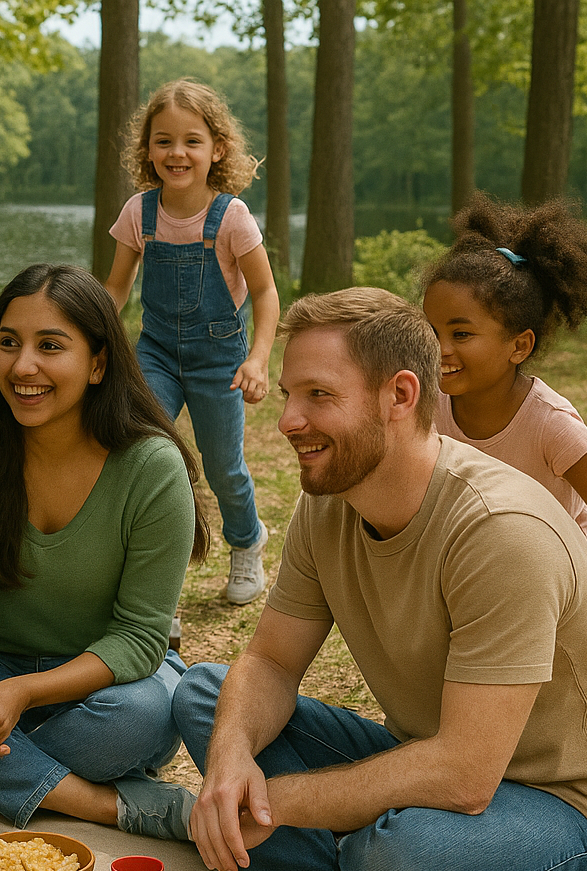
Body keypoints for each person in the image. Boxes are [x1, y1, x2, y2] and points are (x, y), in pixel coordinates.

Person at [172, 287, 587, 871]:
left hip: (556, 803)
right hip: (423, 756)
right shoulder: (330, 501)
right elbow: (270, 662)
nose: (289, 421)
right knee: (206, 697)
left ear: (400, 394)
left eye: (319, 395)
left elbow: (467, 775)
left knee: (401, 849)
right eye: (291, 395)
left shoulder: (501, 532)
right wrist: (232, 761)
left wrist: (280, 799)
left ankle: (344, 853)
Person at [0, 264, 209, 838]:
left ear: (98, 363)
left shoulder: (151, 467)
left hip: (106, 687)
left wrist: (24, 694)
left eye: (51, 346)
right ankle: (110, 806)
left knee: (146, 718)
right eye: (8, 343)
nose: (23, 366)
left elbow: (140, 638)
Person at [104, 79, 280, 647]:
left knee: (223, 465)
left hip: (218, 359)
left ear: (217, 150)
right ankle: (156, 584)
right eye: (163, 141)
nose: (176, 153)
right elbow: (116, 286)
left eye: (191, 141)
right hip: (154, 352)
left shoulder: (231, 218)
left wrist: (257, 359)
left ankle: (248, 540)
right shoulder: (140, 212)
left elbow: (265, 295)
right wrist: (91, 337)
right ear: (148, 151)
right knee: (149, 454)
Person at [422, 193, 587, 534]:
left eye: (462, 334)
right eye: (431, 330)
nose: (440, 348)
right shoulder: (425, 409)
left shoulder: (553, 427)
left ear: (519, 345)